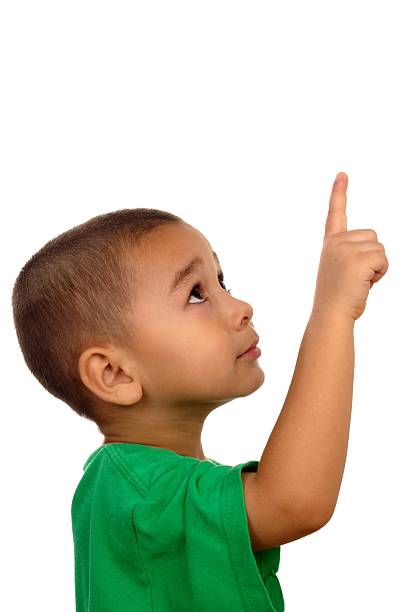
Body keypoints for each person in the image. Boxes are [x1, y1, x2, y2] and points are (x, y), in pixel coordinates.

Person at [11, 171, 389, 611]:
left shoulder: (134, 482)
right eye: (195, 294)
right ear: (114, 373)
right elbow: (294, 502)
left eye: (222, 281)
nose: (241, 307)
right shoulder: (139, 494)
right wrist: (333, 312)